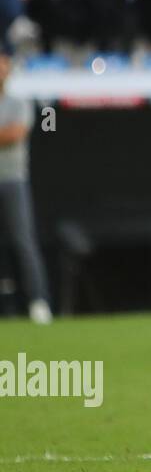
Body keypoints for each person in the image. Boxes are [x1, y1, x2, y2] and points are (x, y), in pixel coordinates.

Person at [0, 52, 50, 323]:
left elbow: (15, 134)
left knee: (23, 241)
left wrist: (6, 134)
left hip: (12, 181)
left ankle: (38, 301)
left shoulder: (18, 103)